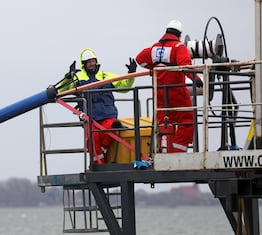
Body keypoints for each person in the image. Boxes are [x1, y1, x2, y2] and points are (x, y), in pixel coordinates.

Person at [58, 48, 137, 164]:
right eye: (89, 61)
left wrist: (131, 74)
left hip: (108, 114)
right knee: (93, 139)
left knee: (111, 129)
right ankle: (98, 165)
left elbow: (124, 86)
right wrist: (68, 77)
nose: (92, 63)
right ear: (84, 64)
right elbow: (61, 90)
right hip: (89, 116)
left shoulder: (105, 76)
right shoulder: (77, 79)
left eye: (93, 61)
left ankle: (102, 158)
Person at [135, 20, 203, 153]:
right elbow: (185, 66)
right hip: (176, 91)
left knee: (163, 123)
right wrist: (196, 79)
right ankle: (178, 152)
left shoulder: (154, 48)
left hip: (159, 93)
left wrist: (153, 68)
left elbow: (140, 60)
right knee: (187, 121)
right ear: (179, 34)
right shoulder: (178, 47)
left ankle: (164, 151)